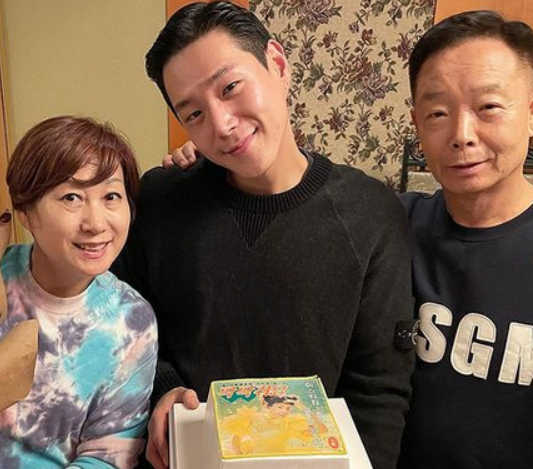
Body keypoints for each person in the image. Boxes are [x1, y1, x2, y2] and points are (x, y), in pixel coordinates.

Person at [112, 2, 415, 469]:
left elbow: (379, 393)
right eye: (194, 114)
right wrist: (163, 389)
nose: (222, 125)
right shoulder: (161, 199)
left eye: (230, 88)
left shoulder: (371, 214)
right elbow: (123, 323)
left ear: (277, 64)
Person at [397, 10, 533, 469]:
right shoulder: (391, 226)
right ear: (417, 125)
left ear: (530, 113)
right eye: (437, 113)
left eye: (488, 107)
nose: (461, 135)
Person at [0, 116, 158, 469]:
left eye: (111, 196)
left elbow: (106, 457)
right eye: (71, 197)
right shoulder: (2, 279)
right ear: (26, 212)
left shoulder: (131, 324)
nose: (96, 223)